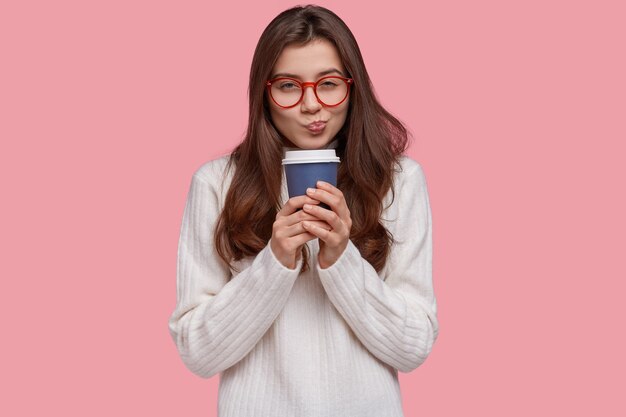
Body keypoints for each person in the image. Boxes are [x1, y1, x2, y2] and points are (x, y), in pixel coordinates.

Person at [168, 5, 439, 417]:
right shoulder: (216, 184)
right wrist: (274, 262)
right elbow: (197, 353)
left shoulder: (398, 181)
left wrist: (340, 260)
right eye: (290, 86)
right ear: (265, 91)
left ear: (353, 87)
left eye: (328, 84)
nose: (312, 105)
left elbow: (414, 347)